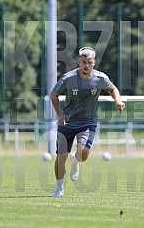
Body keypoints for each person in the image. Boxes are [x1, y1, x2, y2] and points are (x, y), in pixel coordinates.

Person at [50, 47, 125, 197]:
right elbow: (53, 95)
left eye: (89, 62)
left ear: (94, 62)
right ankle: (59, 189)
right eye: (83, 62)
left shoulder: (100, 78)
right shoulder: (68, 78)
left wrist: (117, 100)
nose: (86, 65)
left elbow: (112, 89)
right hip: (67, 122)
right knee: (61, 157)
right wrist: (60, 113)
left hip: (87, 122)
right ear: (79, 61)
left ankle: (75, 161)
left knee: (83, 154)